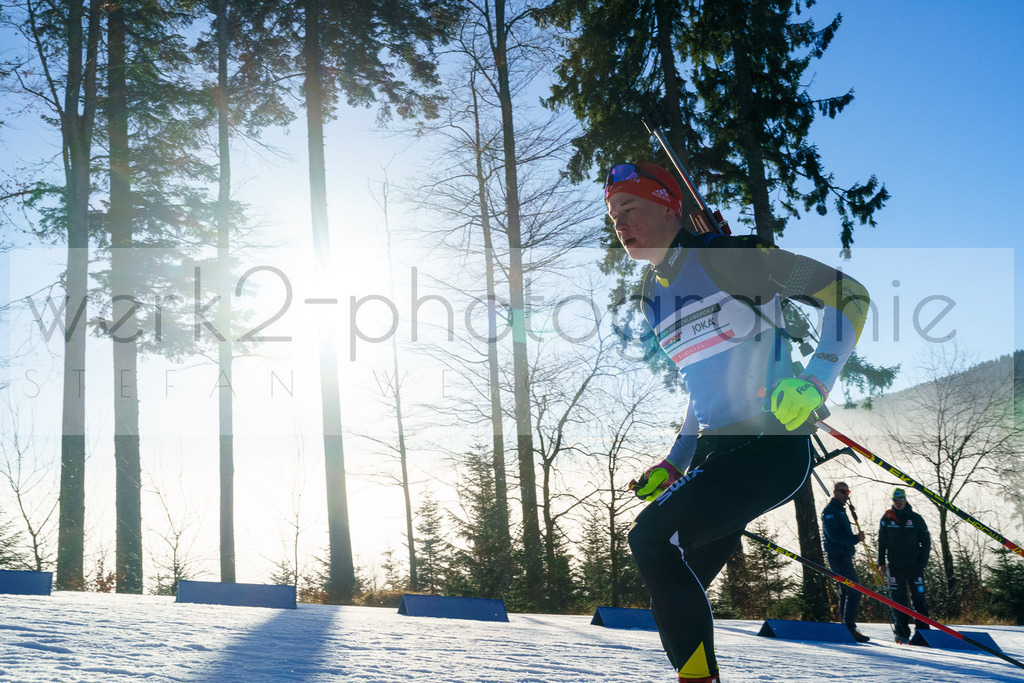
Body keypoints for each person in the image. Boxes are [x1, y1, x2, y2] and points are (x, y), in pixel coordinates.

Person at [612, 162, 870, 683]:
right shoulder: (650, 296)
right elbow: (699, 385)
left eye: (631, 208)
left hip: (769, 443)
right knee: (671, 577)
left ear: (669, 207)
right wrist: (675, 461)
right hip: (714, 451)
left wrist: (817, 380)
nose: (620, 224)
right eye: (614, 215)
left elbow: (849, 294)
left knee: (653, 541)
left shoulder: (730, 258)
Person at [878, 487, 932, 643]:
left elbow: (926, 541)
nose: (899, 503)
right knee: (898, 601)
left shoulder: (915, 518)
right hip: (895, 567)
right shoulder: (887, 518)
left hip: (914, 566)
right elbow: (882, 542)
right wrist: (881, 563)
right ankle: (901, 634)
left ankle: (923, 633)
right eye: (895, 500)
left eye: (901, 499)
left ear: (905, 499)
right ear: (893, 501)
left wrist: (922, 563)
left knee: (919, 600)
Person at [821, 481, 870, 642]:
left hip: (844, 555)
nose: (845, 495)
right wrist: (855, 539)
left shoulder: (841, 510)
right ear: (835, 492)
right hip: (838, 556)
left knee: (845, 591)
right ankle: (849, 627)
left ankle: (845, 627)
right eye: (842, 492)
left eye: (847, 492)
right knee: (854, 591)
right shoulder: (830, 511)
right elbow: (833, 536)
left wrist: (853, 540)